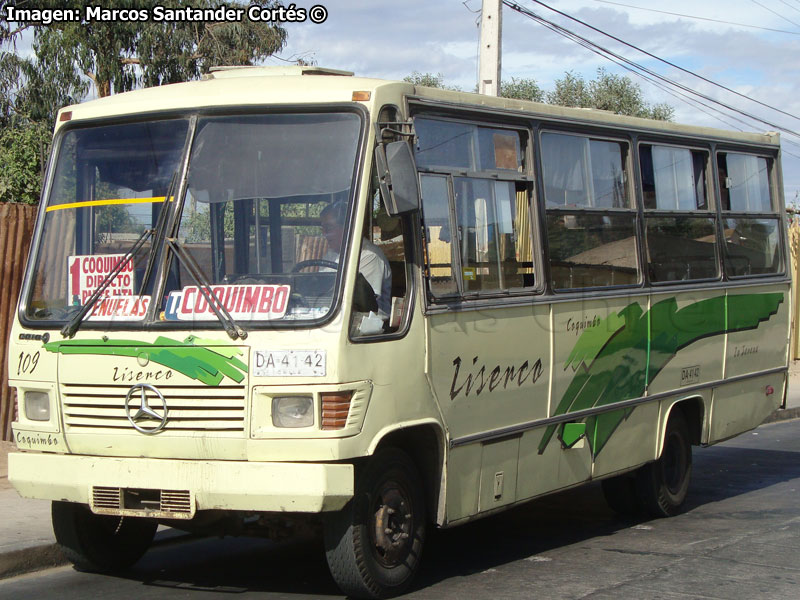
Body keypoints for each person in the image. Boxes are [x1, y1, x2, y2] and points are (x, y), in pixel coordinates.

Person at [320, 201, 392, 315]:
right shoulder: (331, 255)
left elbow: (361, 303)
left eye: (328, 228)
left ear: (346, 227)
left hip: (368, 326)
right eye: (322, 229)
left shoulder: (369, 256)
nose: (324, 234)